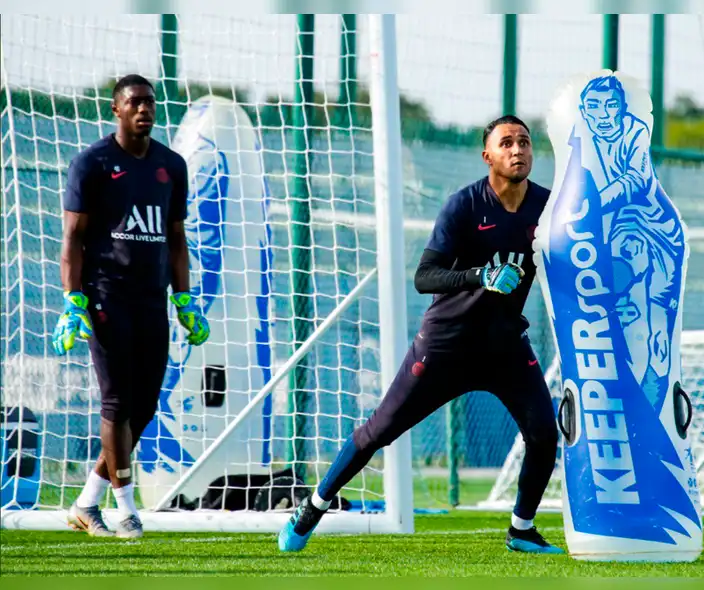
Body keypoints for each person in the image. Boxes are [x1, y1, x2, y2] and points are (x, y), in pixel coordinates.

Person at [278, 115, 562, 555]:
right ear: (488, 155)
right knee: (379, 431)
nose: (518, 149)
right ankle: (313, 507)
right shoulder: (464, 205)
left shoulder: (548, 206)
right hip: (447, 344)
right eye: (506, 143)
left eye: (524, 142)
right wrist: (480, 275)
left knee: (544, 433)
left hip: (505, 344)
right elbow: (424, 276)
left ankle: (521, 529)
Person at [53, 74, 210, 539]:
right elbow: (73, 238)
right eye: (135, 103)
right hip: (105, 298)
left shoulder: (171, 165)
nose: (145, 109)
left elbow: (176, 238)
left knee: (143, 406)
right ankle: (126, 511)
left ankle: (86, 502)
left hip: (151, 302)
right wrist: (72, 300)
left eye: (150, 103)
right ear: (116, 109)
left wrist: (184, 298)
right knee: (117, 402)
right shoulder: (93, 163)